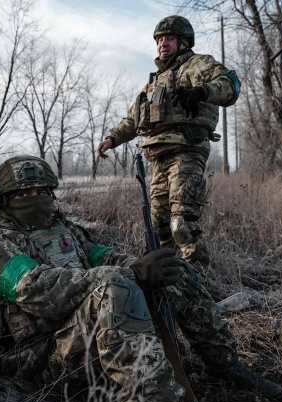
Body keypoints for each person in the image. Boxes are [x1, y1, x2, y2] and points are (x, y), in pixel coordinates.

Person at [0, 156, 282, 402]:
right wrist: (132, 273)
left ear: (52, 192)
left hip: (89, 339)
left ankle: (224, 363)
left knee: (175, 270)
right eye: (23, 194)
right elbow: (36, 289)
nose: (34, 198)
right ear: (5, 200)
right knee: (117, 287)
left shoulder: (64, 230)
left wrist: (148, 265)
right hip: (41, 358)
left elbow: (102, 256)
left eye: (41, 191)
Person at [97, 16, 240, 265]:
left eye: (170, 38)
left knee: (181, 224)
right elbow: (133, 118)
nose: (163, 43)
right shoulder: (153, 83)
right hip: (158, 156)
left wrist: (201, 91)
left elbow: (230, 84)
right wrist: (112, 138)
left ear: (183, 42)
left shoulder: (197, 65)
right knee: (160, 227)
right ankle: (171, 283)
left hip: (187, 149)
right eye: (160, 39)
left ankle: (198, 281)